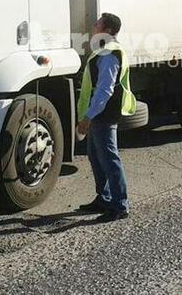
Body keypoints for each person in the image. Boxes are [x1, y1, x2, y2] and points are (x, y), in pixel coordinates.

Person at [76, 13, 136, 222]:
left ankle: (120, 205)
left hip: (103, 114)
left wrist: (88, 117)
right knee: (95, 155)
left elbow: (104, 90)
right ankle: (104, 198)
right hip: (99, 113)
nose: (93, 25)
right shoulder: (104, 50)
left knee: (109, 158)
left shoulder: (109, 54)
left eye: (98, 23)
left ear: (108, 30)